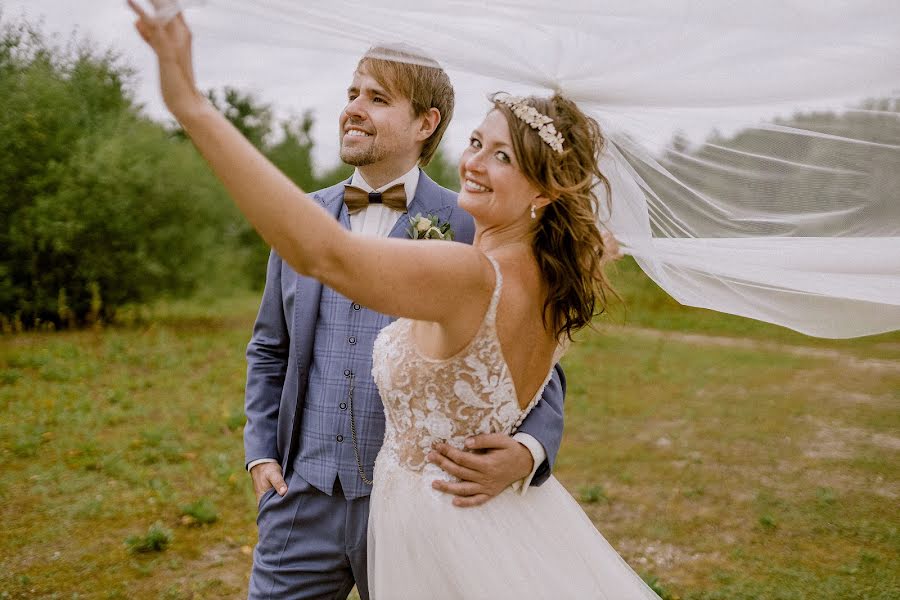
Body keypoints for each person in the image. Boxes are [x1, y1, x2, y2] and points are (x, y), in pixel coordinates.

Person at [128, 4, 654, 598]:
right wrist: (261, 452)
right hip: (309, 496)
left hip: (420, 516)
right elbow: (271, 344)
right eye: (478, 143)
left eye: (377, 97)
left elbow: (329, 257)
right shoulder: (545, 259)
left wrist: (530, 450)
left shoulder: (468, 240)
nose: (474, 164)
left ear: (426, 122)